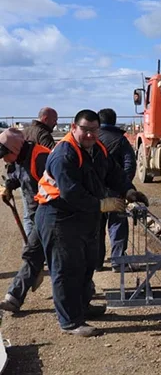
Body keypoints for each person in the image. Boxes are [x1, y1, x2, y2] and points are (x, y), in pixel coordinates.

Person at [34, 109, 149, 337]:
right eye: (85, 130)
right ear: (74, 128)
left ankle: (83, 307)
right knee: (66, 270)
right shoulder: (64, 155)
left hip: (82, 217)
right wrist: (102, 205)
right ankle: (70, 322)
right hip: (58, 216)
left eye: (93, 130)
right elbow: (71, 193)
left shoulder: (97, 149)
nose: (89, 135)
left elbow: (113, 173)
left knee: (86, 264)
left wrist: (128, 190)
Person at [0, 128, 50, 312]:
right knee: (33, 255)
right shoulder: (20, 158)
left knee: (61, 258)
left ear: (14, 149)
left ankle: (86, 291)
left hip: (52, 215)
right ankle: (13, 298)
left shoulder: (41, 158)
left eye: (6, 155)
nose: (4, 159)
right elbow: (15, 176)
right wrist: (8, 187)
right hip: (36, 214)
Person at [96, 108, 137, 272]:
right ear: (114, 120)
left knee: (96, 228)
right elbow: (130, 164)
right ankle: (118, 262)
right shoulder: (121, 140)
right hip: (116, 191)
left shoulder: (92, 139)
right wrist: (123, 185)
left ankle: (96, 263)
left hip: (95, 192)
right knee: (118, 225)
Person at [20, 107, 58, 235]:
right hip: (39, 181)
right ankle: (37, 246)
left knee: (28, 216)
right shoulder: (43, 134)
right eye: (54, 120)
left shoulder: (24, 132)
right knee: (40, 217)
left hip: (23, 179)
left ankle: (29, 246)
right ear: (45, 119)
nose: (56, 123)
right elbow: (52, 157)